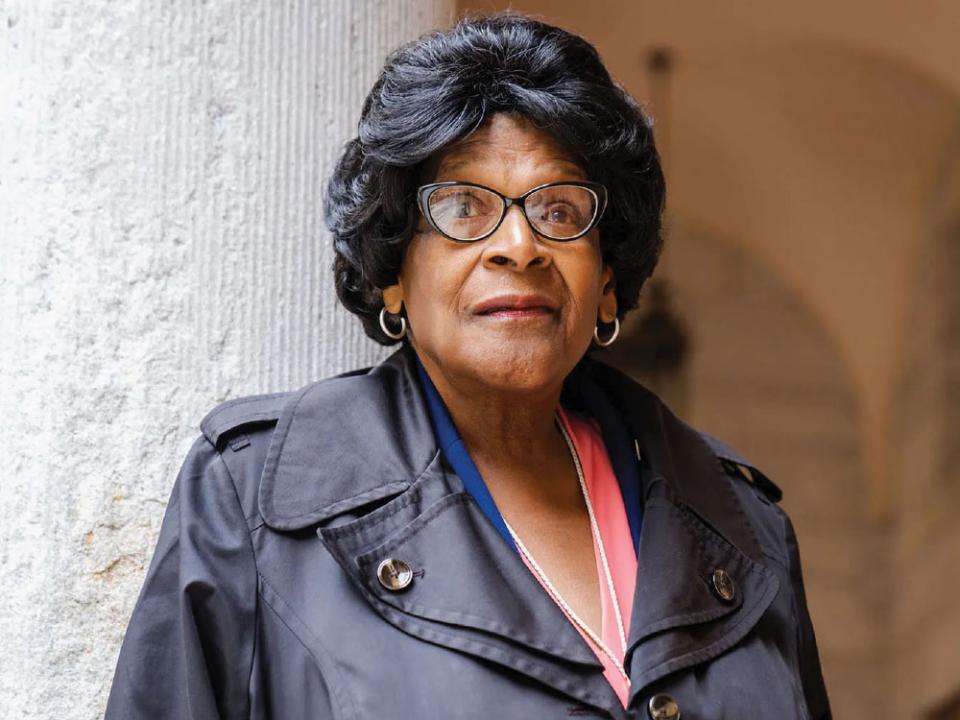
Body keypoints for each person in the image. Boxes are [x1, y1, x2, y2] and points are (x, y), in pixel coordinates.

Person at [105, 12, 831, 720]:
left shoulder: (744, 527)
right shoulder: (254, 493)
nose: (519, 246)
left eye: (559, 210)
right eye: (462, 206)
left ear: (606, 280)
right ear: (394, 272)